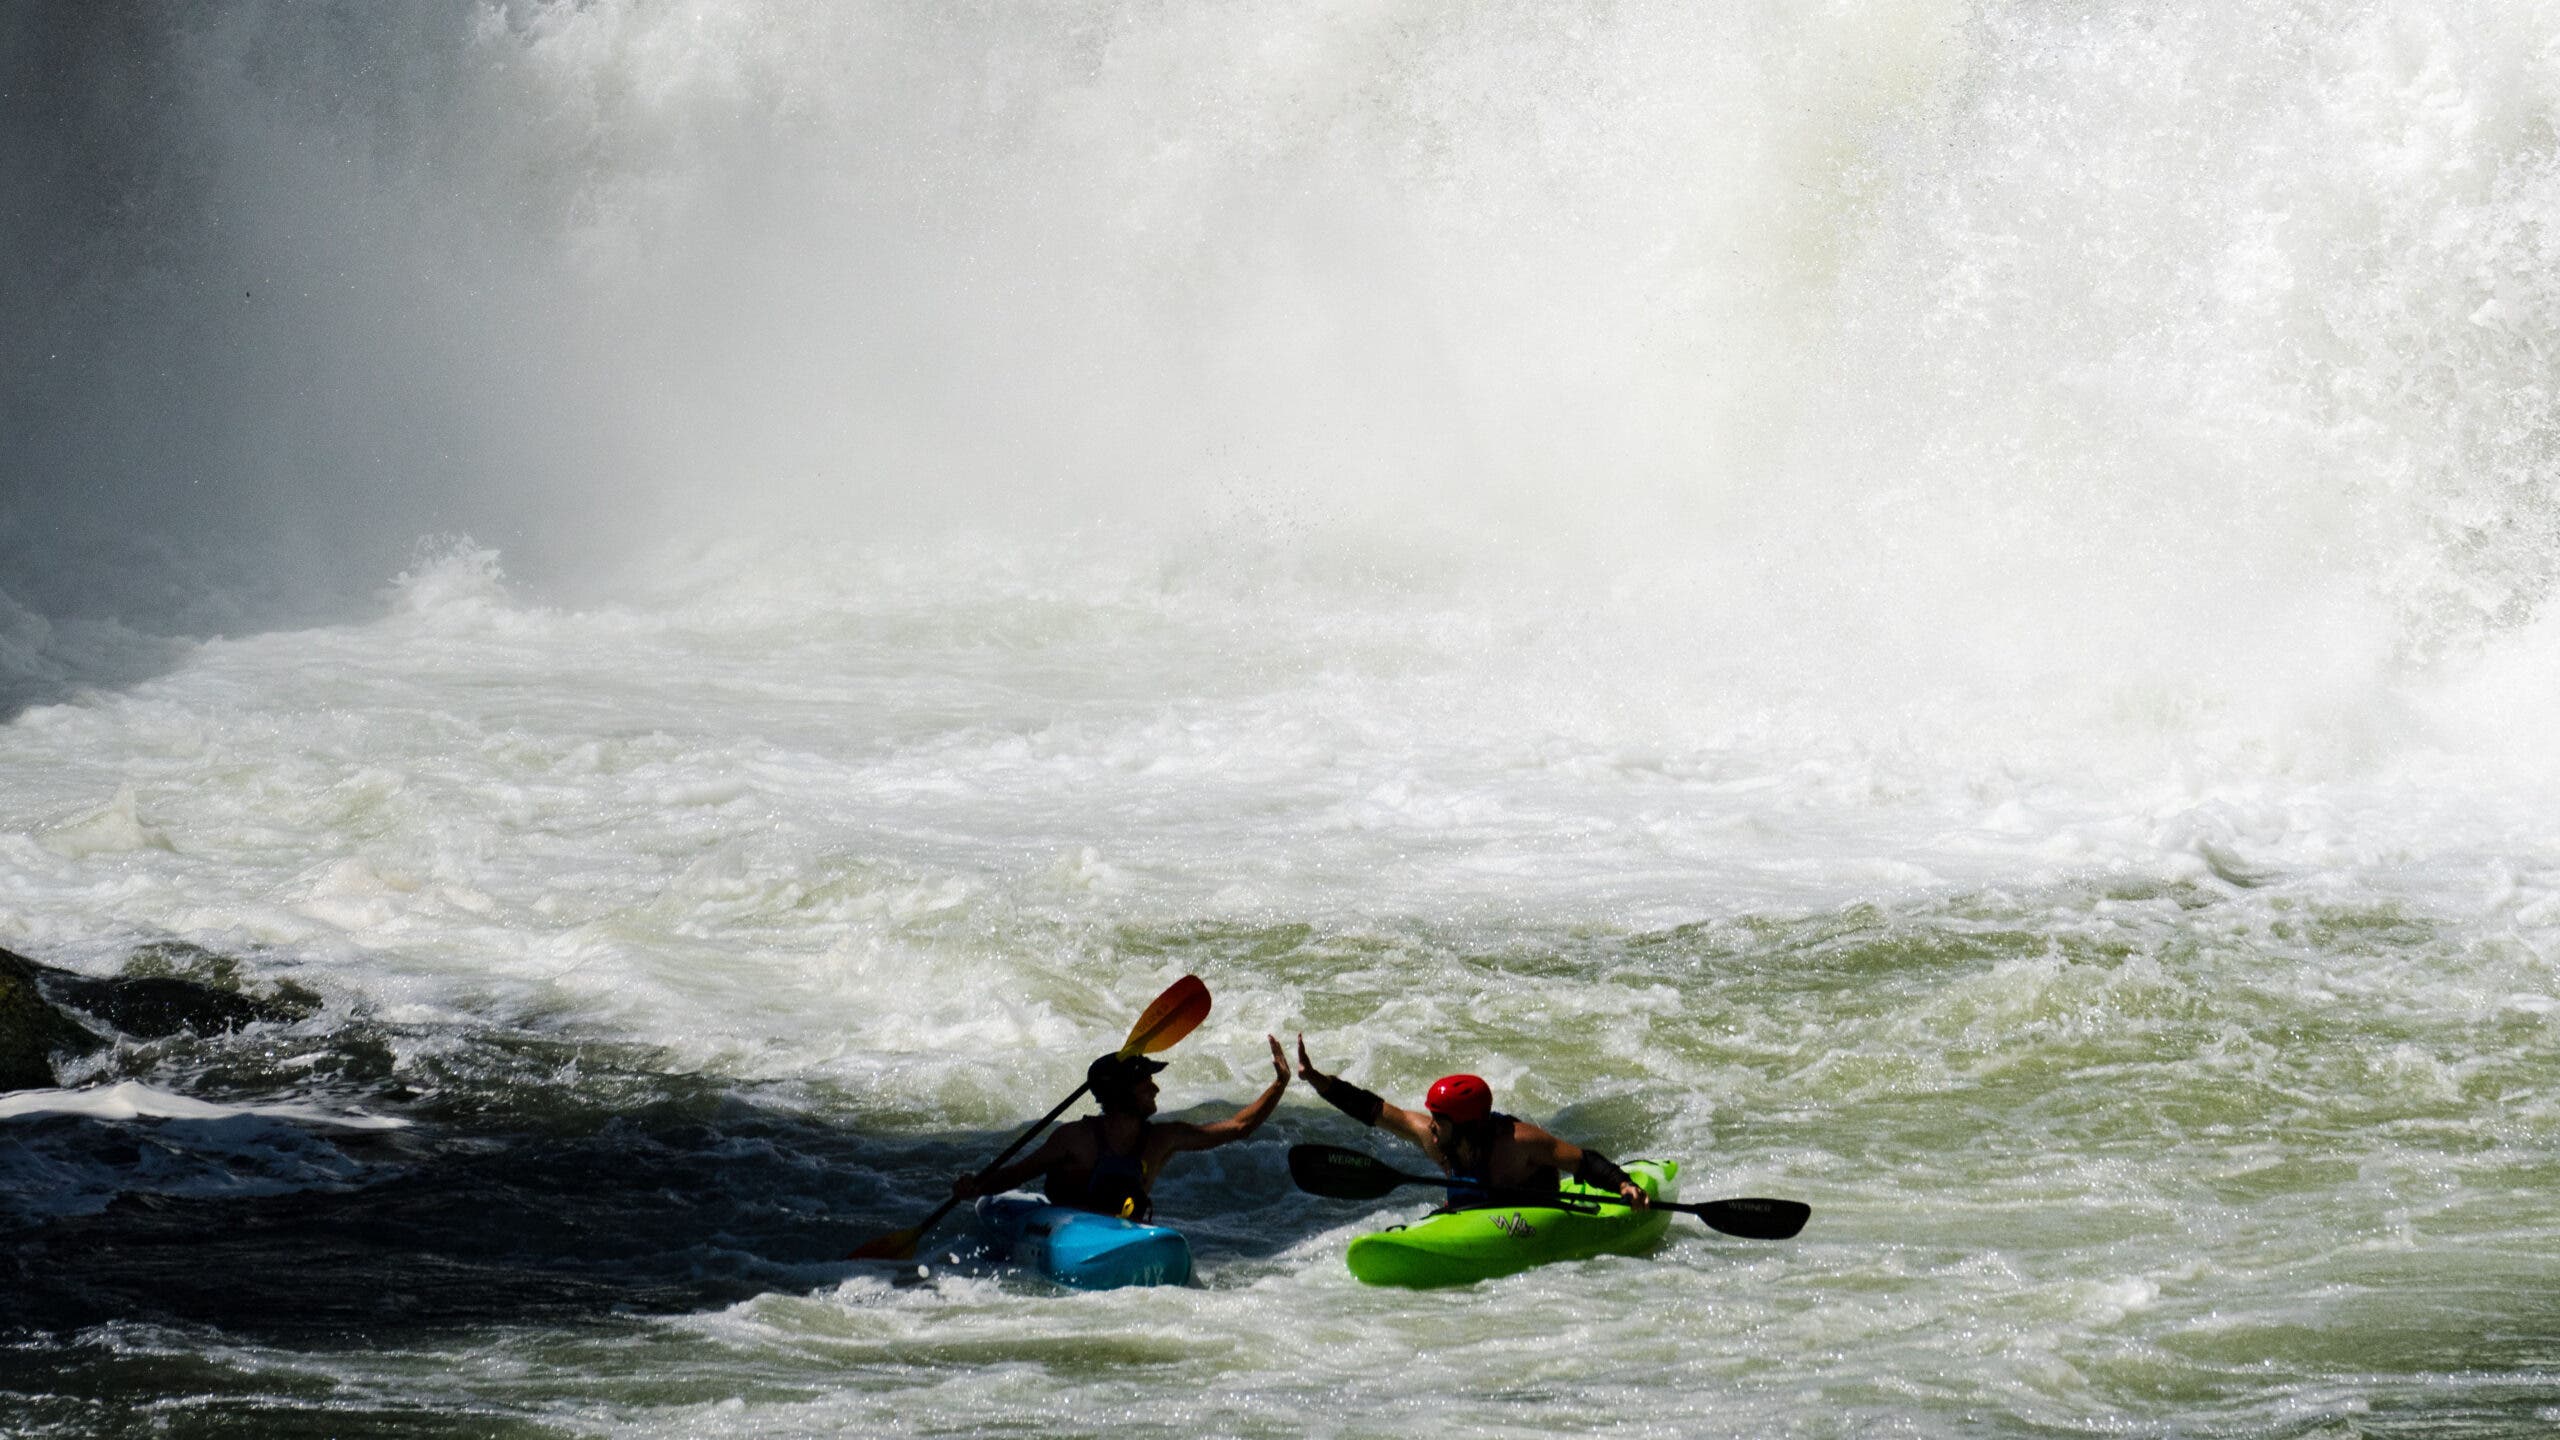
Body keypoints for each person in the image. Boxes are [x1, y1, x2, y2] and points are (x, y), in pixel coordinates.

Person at [950, 1034, 1290, 1222]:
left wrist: (1279, 1084)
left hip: (1123, 1233)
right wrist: (977, 1186)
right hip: (1067, 1228)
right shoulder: (1076, 1139)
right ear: (1121, 1094)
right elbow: (1016, 1175)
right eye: (1146, 1084)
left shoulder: (1162, 1138)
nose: (1155, 1090)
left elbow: (1238, 1126)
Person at [1293, 1034, 1648, 1211]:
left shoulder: (1519, 1143)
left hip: (1537, 1218)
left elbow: (1581, 1161)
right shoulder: (1437, 1141)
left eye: (1439, 1120)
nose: (1430, 1126)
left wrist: (1623, 1185)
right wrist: (1317, 1081)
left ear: (1465, 1126)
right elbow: (1375, 1110)